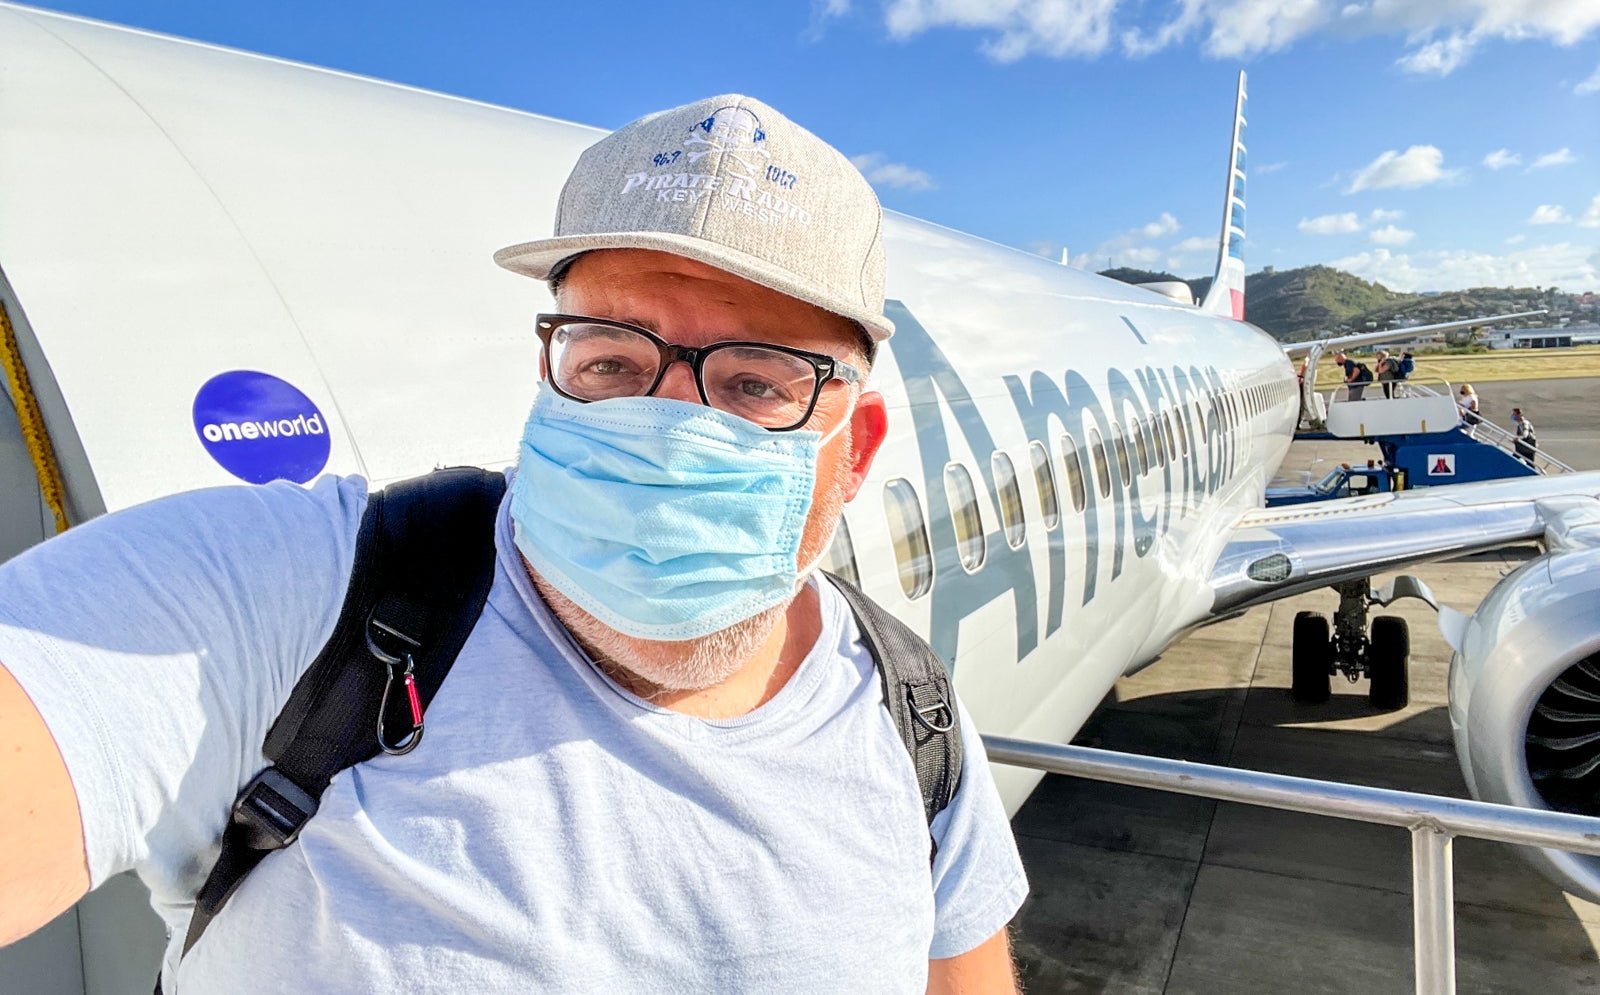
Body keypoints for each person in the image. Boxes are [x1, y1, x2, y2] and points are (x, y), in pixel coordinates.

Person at [0, 95, 1027, 991]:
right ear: (550, 376)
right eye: (614, 360)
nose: (667, 427)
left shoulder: (909, 720)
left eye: (755, 380)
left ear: (855, 451)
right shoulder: (302, 595)